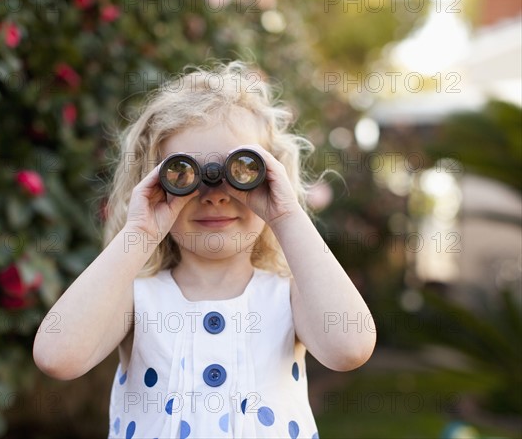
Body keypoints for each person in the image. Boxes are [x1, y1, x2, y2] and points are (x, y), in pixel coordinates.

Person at [33, 61, 376, 438]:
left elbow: (351, 346)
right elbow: (57, 357)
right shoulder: (136, 297)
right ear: (153, 183)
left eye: (243, 171)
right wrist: (140, 233)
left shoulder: (289, 296)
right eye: (183, 175)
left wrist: (287, 214)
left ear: (272, 175)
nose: (215, 197)